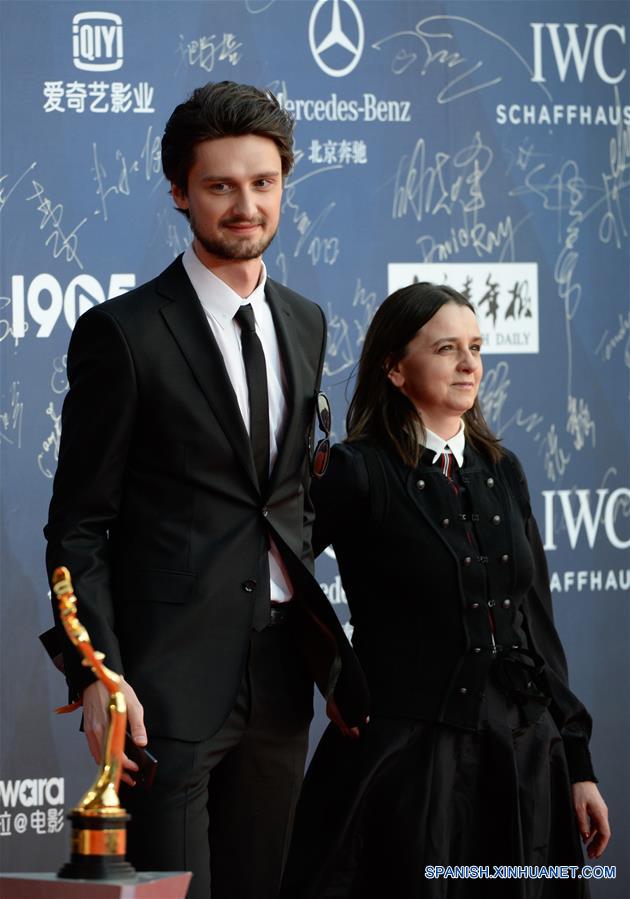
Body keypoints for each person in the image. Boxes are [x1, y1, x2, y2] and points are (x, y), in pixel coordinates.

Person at [44, 81, 368, 899]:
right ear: (181, 192)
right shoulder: (124, 333)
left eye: (262, 183)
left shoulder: (305, 321)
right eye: (221, 185)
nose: (245, 205)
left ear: (284, 184)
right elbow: (80, 525)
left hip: (282, 668)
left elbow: (281, 498)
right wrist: (97, 674)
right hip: (165, 680)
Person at [280, 283, 610, 899]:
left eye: (476, 347)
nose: (469, 364)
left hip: (521, 762)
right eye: (447, 348)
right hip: (404, 767)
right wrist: (334, 669)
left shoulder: (501, 468)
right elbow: (276, 578)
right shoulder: (357, 471)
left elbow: (536, 626)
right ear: (395, 368)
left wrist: (578, 766)